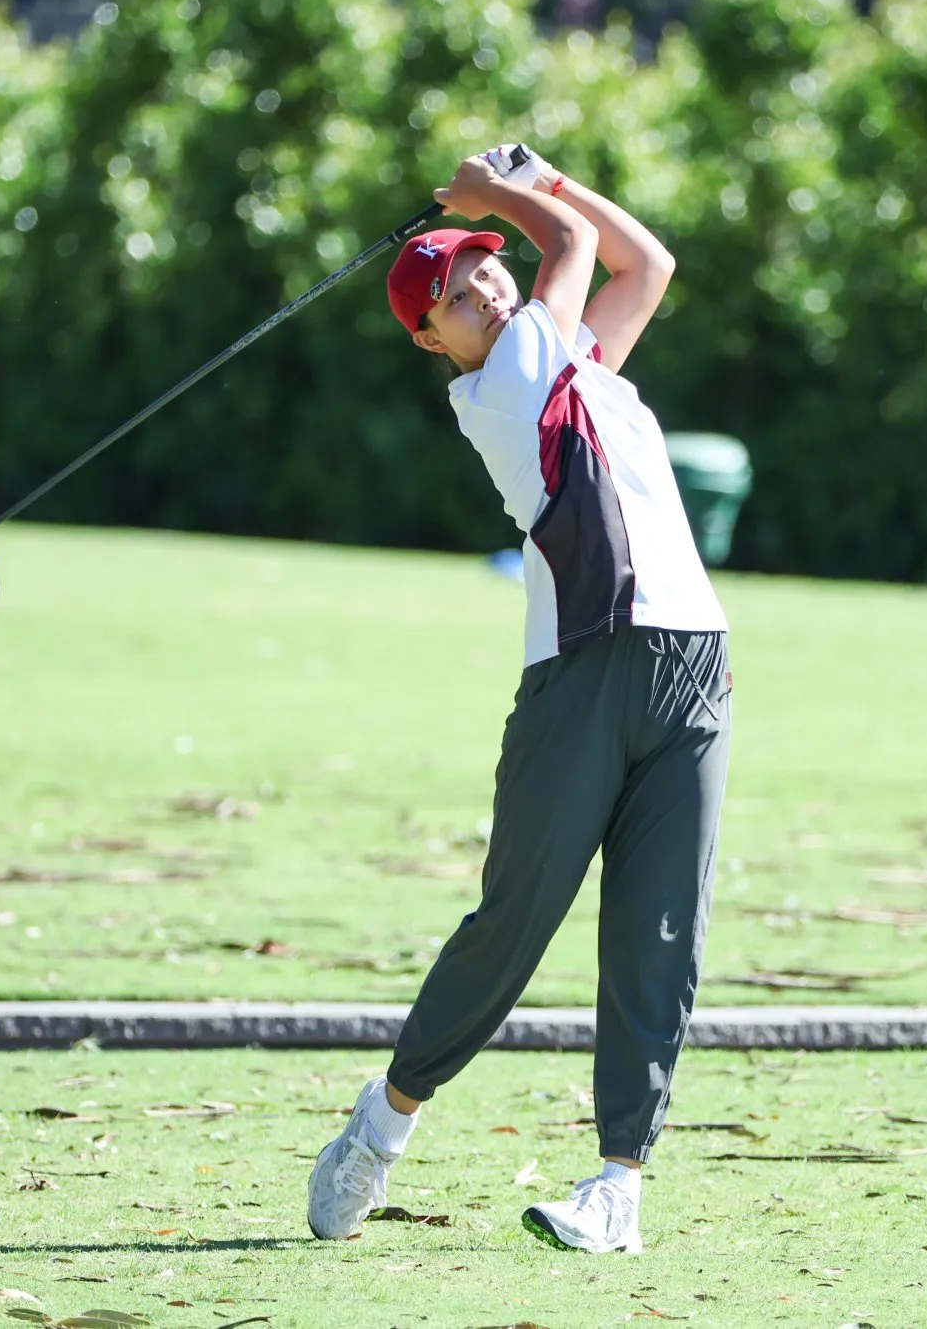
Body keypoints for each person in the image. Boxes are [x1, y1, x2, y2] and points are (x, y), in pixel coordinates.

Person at [306, 145, 733, 1256]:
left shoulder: (575, 368)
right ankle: (382, 1125)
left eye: (485, 270)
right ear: (430, 341)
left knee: (658, 933)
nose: (482, 288)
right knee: (512, 927)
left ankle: (617, 1190)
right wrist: (497, 195)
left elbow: (642, 261)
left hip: (692, 663)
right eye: (453, 292)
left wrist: (539, 177)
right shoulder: (498, 387)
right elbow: (577, 249)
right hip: (579, 676)